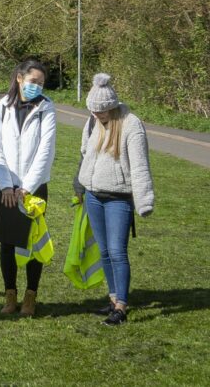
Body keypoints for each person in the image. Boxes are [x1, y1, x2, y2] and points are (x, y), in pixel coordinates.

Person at [74, 73, 154, 326]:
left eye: (103, 111)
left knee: (118, 251)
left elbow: (140, 167)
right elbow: (85, 154)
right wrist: (80, 184)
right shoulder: (92, 122)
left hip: (119, 198)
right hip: (94, 196)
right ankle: (112, 297)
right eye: (94, 111)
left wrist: (144, 201)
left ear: (113, 106)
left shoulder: (131, 125)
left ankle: (121, 304)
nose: (98, 115)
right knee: (105, 251)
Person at [0, 58, 56, 316]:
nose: (36, 86)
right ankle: (10, 294)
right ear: (19, 78)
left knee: (33, 240)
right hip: (4, 186)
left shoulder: (46, 108)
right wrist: (6, 185)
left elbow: (45, 151)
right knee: (8, 241)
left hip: (33, 186)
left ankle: (30, 295)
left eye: (41, 83)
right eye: (32, 81)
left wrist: (26, 186)